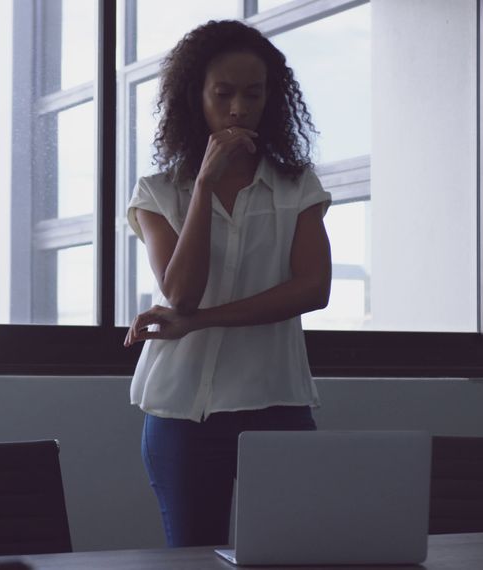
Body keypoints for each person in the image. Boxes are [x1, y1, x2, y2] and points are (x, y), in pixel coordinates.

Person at [122, 19, 333, 548]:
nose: (239, 107)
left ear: (271, 99)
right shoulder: (157, 192)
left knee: (293, 556)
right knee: (191, 557)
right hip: (182, 414)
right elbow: (181, 292)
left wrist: (196, 323)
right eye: (224, 93)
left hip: (277, 405)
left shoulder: (296, 185)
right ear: (197, 97)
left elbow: (313, 289)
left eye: (253, 93)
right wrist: (205, 186)